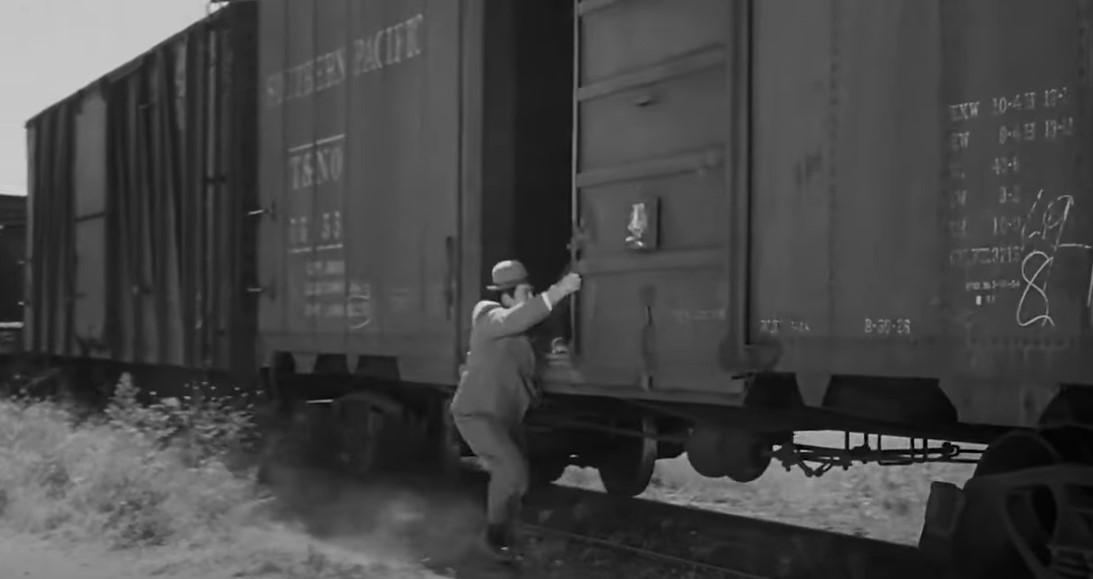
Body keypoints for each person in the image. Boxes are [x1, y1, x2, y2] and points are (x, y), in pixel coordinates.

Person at [449, 259, 582, 561]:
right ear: (506, 295)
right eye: (525, 292)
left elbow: (535, 338)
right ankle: (493, 540)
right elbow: (517, 319)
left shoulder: (522, 333)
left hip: (504, 417)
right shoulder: (489, 316)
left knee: (518, 480)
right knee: (511, 471)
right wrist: (560, 290)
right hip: (476, 414)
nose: (530, 296)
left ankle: (510, 535)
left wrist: (558, 344)